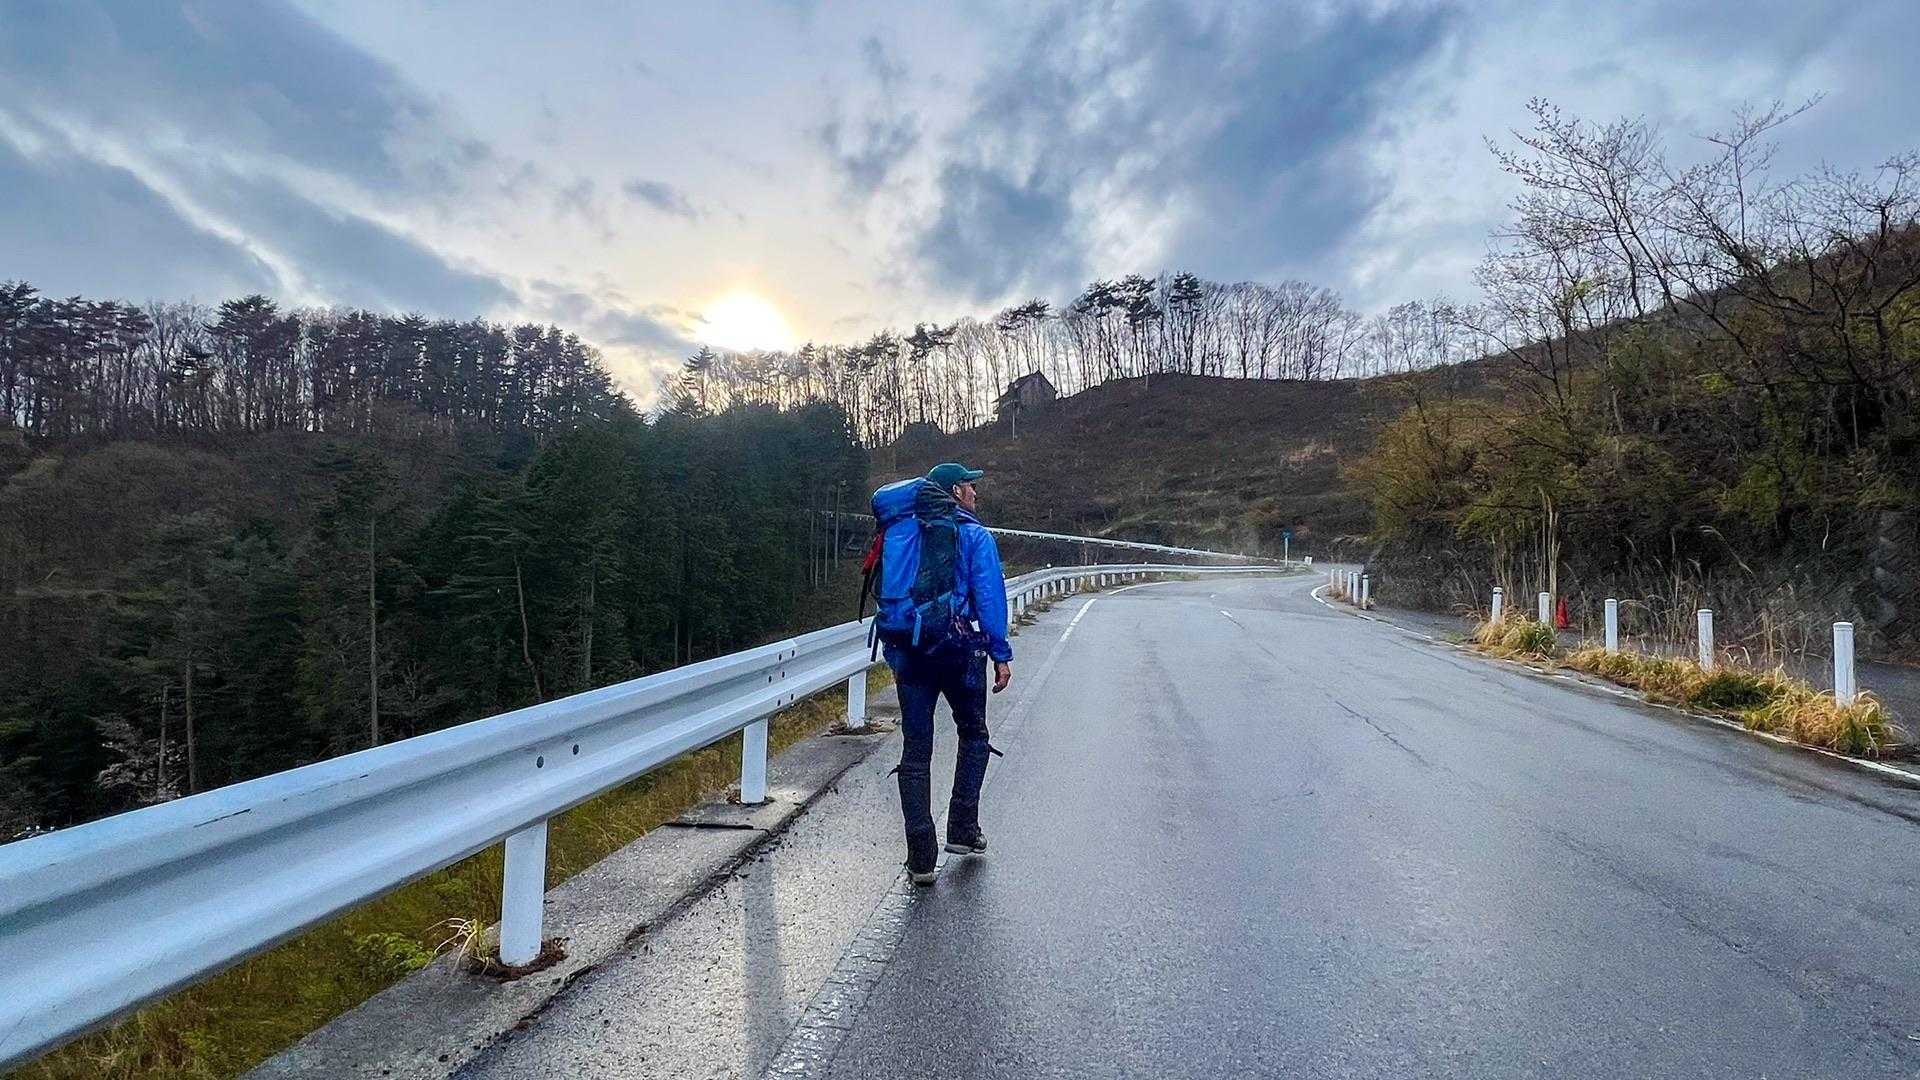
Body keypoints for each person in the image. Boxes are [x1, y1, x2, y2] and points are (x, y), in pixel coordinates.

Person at [885, 462, 1013, 886]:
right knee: (973, 734)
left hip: (911, 653)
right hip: (960, 651)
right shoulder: (975, 535)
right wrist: (1000, 653)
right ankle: (962, 829)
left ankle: (921, 858)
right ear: (955, 491)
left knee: (916, 750)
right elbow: (989, 596)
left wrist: (896, 653)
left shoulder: (902, 533)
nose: (976, 493)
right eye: (970, 486)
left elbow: (889, 596)